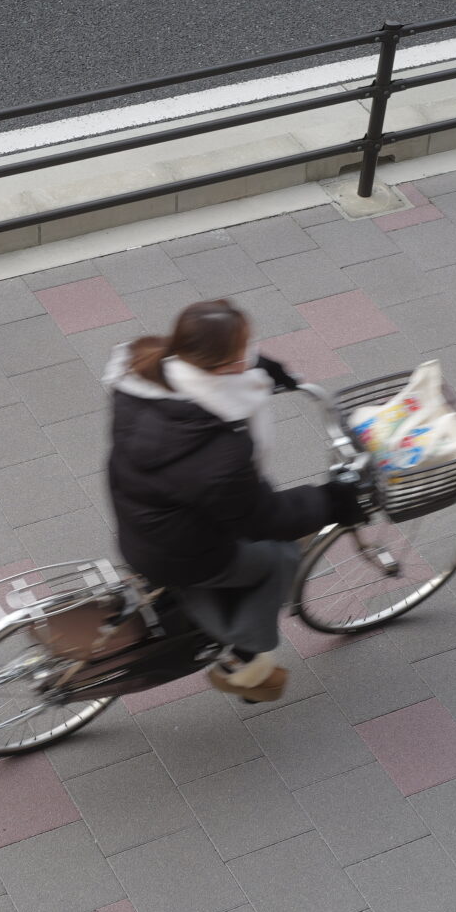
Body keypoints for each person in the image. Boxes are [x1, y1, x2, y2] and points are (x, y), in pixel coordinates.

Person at [103, 299, 366, 703]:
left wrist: (262, 368)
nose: (251, 352)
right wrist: (333, 500)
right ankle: (245, 664)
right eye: (245, 349)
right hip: (179, 552)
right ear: (226, 366)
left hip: (141, 521)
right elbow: (262, 518)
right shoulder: (218, 451)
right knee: (279, 557)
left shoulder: (144, 371)